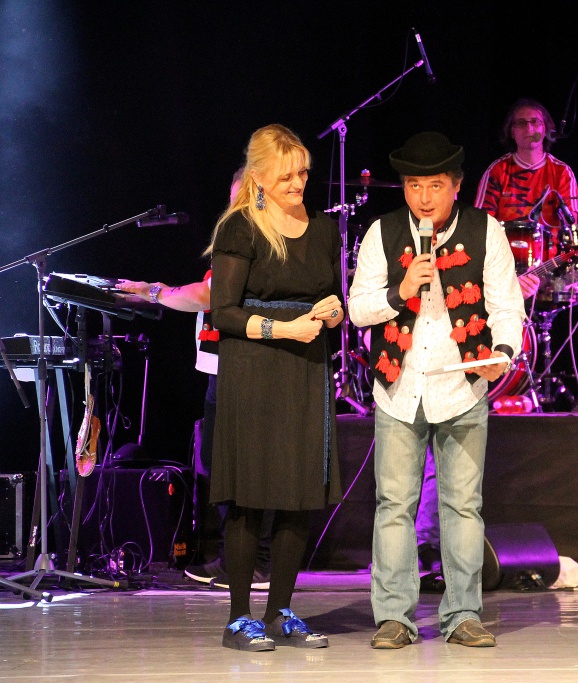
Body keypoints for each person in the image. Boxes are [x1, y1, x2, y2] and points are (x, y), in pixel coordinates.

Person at [348, 131, 526, 649]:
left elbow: (507, 307)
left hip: (462, 385)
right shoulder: (381, 233)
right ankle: (394, 618)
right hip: (399, 386)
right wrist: (400, 291)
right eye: (414, 186)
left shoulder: (485, 230)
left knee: (463, 505)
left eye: (435, 186)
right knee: (394, 505)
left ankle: (463, 614)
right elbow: (357, 309)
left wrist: (503, 355)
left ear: (456, 185)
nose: (424, 198)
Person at [205, 123, 344, 651]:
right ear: (259, 177)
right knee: (249, 495)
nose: (298, 183)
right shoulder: (240, 227)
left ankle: (281, 611)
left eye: (303, 173)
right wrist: (283, 329)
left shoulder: (324, 229)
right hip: (255, 369)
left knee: (298, 494)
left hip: (306, 368)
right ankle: (239, 618)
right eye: (286, 176)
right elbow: (223, 312)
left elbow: (331, 296)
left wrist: (333, 312)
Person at [116, 168, 273, 591]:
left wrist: (154, 291)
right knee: (220, 467)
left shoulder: (266, 242)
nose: (238, 208)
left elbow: (208, 295)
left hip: (248, 370)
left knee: (245, 470)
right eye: (235, 199)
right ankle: (235, 559)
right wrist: (153, 291)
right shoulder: (239, 239)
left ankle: (257, 564)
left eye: (248, 198)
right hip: (222, 369)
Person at [474, 97, 578, 377]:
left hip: (553, 264)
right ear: (512, 132)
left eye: (535, 122)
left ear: (546, 128)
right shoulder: (497, 171)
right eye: (521, 123)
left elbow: (570, 227)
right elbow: (479, 226)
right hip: (506, 268)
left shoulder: (561, 172)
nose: (529, 128)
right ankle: (505, 376)